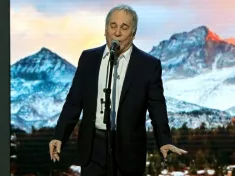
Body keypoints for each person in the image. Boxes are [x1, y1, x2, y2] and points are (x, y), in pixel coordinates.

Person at [49, 4, 187, 176]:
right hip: (93, 148)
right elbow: (74, 102)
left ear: (133, 33)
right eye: (112, 26)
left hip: (128, 150)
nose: (117, 32)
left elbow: (157, 107)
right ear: (105, 29)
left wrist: (164, 141)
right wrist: (59, 135)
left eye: (124, 27)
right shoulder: (88, 58)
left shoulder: (148, 65)